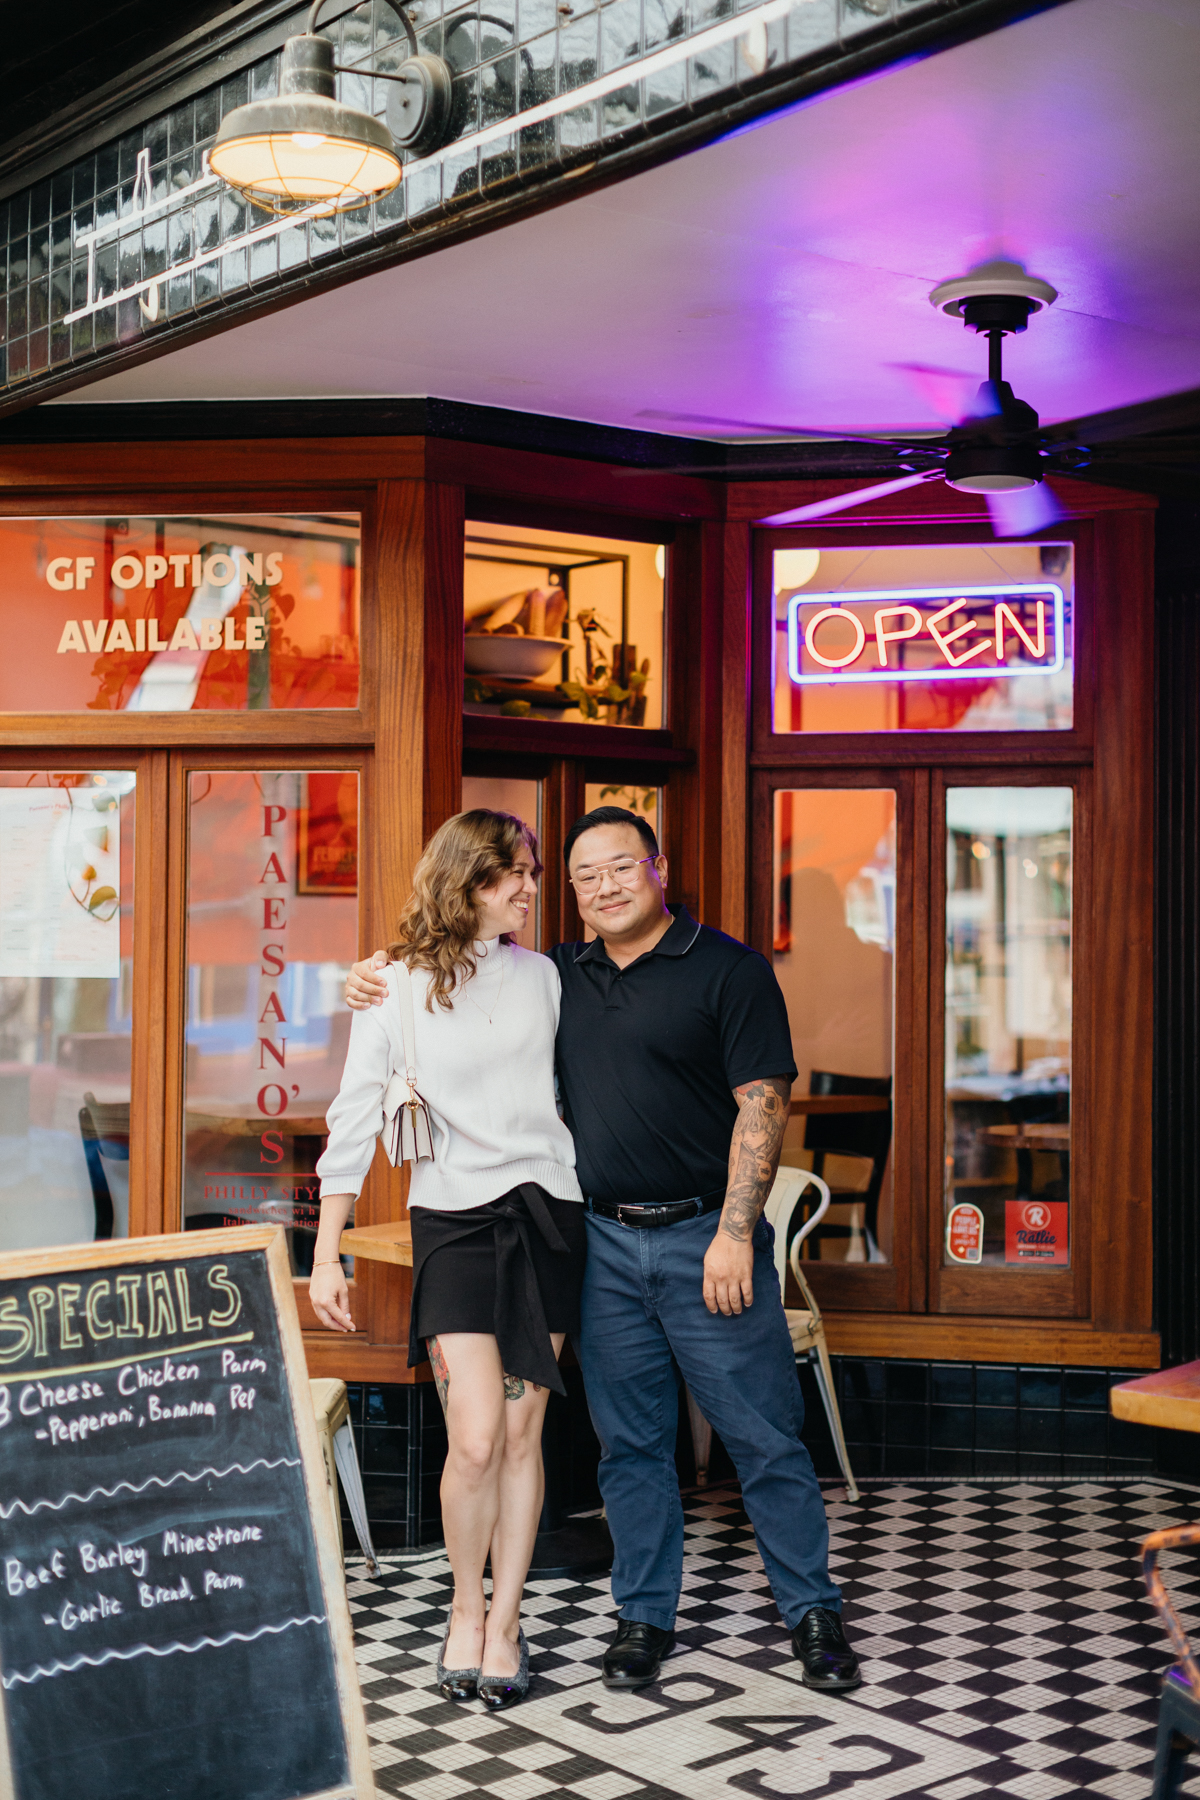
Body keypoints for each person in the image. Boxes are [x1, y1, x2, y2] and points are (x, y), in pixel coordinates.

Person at [344, 805, 860, 1696]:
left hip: (706, 1239)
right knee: (629, 1447)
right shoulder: (560, 975)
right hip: (604, 1244)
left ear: (658, 868)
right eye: (584, 876)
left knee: (764, 1437)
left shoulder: (728, 970)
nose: (603, 887)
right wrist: (372, 973)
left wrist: (736, 1234)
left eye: (621, 867)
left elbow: (763, 1105)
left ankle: (812, 1612)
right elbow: (458, 977)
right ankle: (644, 1618)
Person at [312, 809, 585, 1711]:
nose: (532, 888)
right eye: (515, 874)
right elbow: (354, 1116)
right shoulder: (393, 986)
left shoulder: (547, 977)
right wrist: (328, 1252)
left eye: (533, 873)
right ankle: (463, 1607)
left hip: (547, 1215)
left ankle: (506, 1623)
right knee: (473, 1438)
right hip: (454, 1223)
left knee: (520, 1435)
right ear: (467, 881)